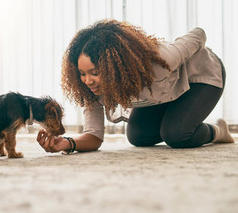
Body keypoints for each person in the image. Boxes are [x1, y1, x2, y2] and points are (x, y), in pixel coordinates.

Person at [37, 19, 234, 153]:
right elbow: (93, 135)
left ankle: (218, 131)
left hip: (201, 77)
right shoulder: (91, 89)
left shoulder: (161, 59)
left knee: (176, 134)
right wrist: (66, 143)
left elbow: (199, 34)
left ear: (114, 66)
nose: (88, 80)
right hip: (164, 94)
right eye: (82, 73)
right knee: (138, 136)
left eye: (95, 73)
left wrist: (178, 55)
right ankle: (178, 118)